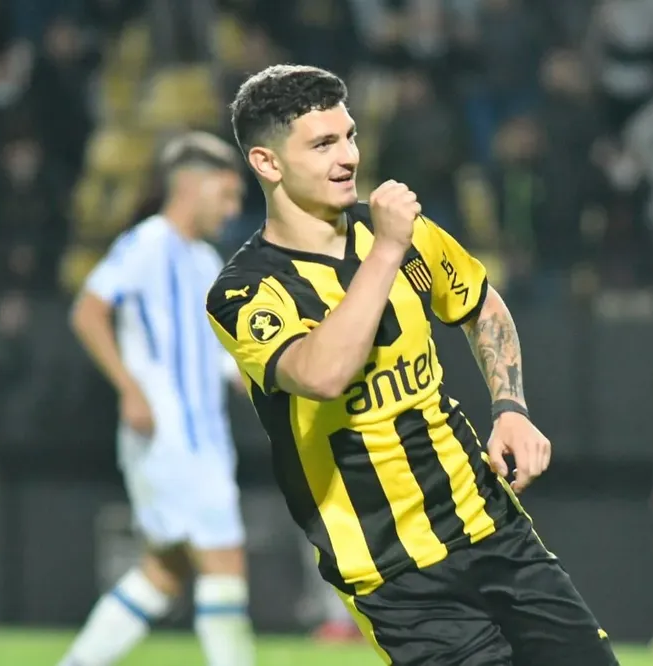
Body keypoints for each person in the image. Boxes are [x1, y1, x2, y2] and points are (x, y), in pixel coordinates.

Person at [206, 64, 618, 666]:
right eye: (322, 144)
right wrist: (391, 248)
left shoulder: (400, 232)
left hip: (494, 530)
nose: (346, 157)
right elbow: (322, 374)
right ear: (267, 163)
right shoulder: (247, 291)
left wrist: (511, 408)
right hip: (395, 578)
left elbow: (481, 305)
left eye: (348, 136)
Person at [60, 132, 255, 666]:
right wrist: (130, 388)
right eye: (226, 194)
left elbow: (217, 354)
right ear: (191, 187)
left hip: (202, 436)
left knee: (166, 572)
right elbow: (88, 310)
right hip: (170, 434)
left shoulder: (203, 261)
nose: (233, 209)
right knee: (224, 561)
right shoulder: (148, 243)